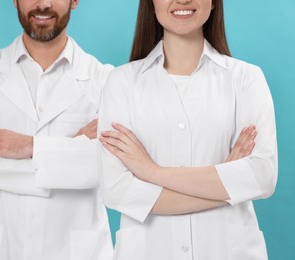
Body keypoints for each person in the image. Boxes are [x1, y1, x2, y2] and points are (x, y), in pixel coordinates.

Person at [98, 0, 277, 259]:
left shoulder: (246, 79)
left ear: (214, 3)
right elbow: (117, 190)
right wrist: (228, 184)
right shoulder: (122, 83)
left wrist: (151, 172)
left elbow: (261, 177)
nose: (182, 0)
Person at [0, 0, 113, 259]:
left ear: (74, 1)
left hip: (77, 249)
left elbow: (106, 167)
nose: (43, 4)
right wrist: (71, 152)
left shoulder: (107, 81)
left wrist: (28, 146)